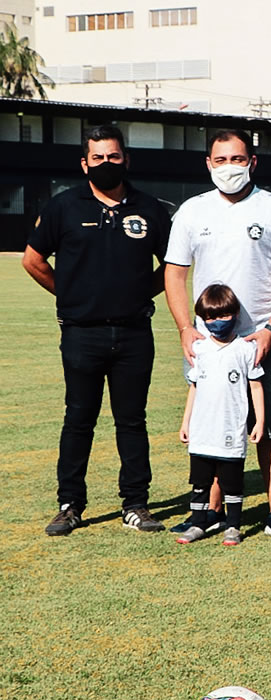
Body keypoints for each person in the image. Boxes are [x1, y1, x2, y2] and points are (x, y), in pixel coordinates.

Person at [23, 125, 172, 535]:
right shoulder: (64, 207)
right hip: (81, 333)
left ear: (126, 159)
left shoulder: (150, 208)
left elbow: (174, 265)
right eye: (99, 158)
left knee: (132, 421)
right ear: (85, 163)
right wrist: (68, 293)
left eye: (114, 156)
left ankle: (136, 504)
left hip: (134, 333)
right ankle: (70, 504)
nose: (107, 164)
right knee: (78, 420)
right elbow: (33, 260)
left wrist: (145, 291)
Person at [164, 129, 271, 541]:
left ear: (253, 163)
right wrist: (185, 328)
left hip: (263, 343)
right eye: (221, 160)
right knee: (211, 425)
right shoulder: (192, 212)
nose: (230, 168)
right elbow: (175, 273)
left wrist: (270, 329)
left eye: (238, 159)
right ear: (209, 164)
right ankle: (209, 511)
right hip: (209, 345)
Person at [176, 284, 265, 546]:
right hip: (203, 431)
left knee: (232, 484)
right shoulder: (200, 350)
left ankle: (233, 526)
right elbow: (194, 388)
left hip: (231, 430)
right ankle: (198, 524)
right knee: (200, 482)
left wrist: (259, 421)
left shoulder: (245, 349)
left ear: (235, 314)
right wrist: (186, 422)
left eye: (223, 316)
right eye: (210, 318)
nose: (217, 322)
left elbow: (256, 386)